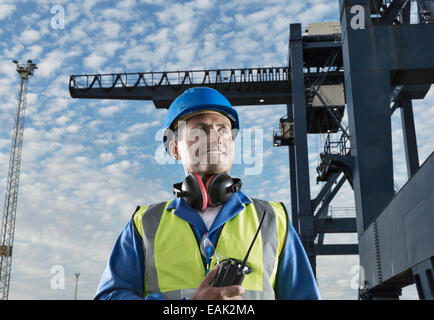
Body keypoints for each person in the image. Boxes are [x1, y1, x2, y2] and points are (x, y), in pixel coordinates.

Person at [94, 87, 321, 300]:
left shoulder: (273, 219)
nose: (215, 136)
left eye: (223, 129)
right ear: (174, 149)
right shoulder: (144, 223)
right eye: (200, 129)